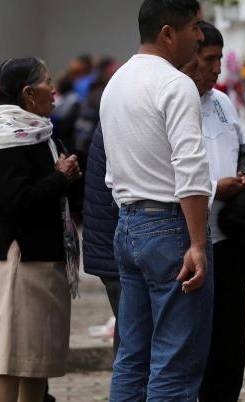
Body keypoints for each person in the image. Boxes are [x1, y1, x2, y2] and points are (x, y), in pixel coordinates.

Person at [100, 1, 213, 401]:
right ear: (168, 33)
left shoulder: (117, 82)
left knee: (132, 358)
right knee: (174, 363)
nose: (199, 36)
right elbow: (190, 167)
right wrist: (197, 243)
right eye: (194, 27)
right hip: (169, 228)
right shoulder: (175, 84)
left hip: (129, 223)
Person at [181, 21, 245, 402]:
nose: (216, 69)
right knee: (195, 345)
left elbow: (239, 149)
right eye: (209, 59)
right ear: (188, 57)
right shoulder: (176, 103)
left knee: (230, 343)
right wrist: (214, 189)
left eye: (219, 59)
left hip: (229, 238)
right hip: (188, 242)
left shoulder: (223, 103)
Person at [0, 57, 81, 402]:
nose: (55, 90)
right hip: (22, 261)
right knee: (10, 361)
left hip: (45, 260)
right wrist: (59, 178)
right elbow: (17, 202)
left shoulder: (41, 133)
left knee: (36, 363)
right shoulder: (9, 138)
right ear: (28, 93)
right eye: (48, 82)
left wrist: (67, 176)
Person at [81, 123, 121, 357]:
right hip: (115, 248)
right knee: (134, 340)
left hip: (111, 246)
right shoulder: (120, 118)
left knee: (132, 338)